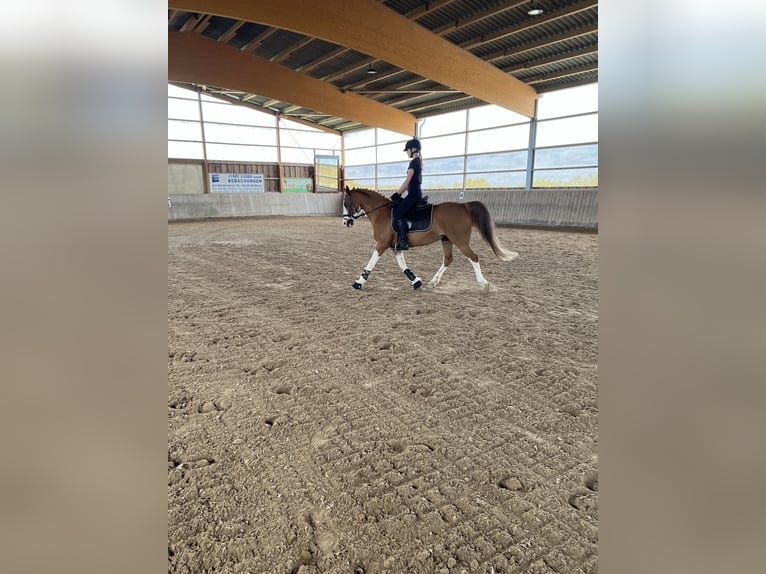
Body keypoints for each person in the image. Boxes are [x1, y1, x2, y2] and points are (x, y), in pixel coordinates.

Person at [390, 138, 423, 250]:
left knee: (398, 214)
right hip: (415, 193)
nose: (407, 153)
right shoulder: (418, 161)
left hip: (413, 195)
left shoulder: (414, 162)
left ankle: (404, 241)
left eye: (407, 150)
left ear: (413, 149)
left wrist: (397, 194)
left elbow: (407, 181)